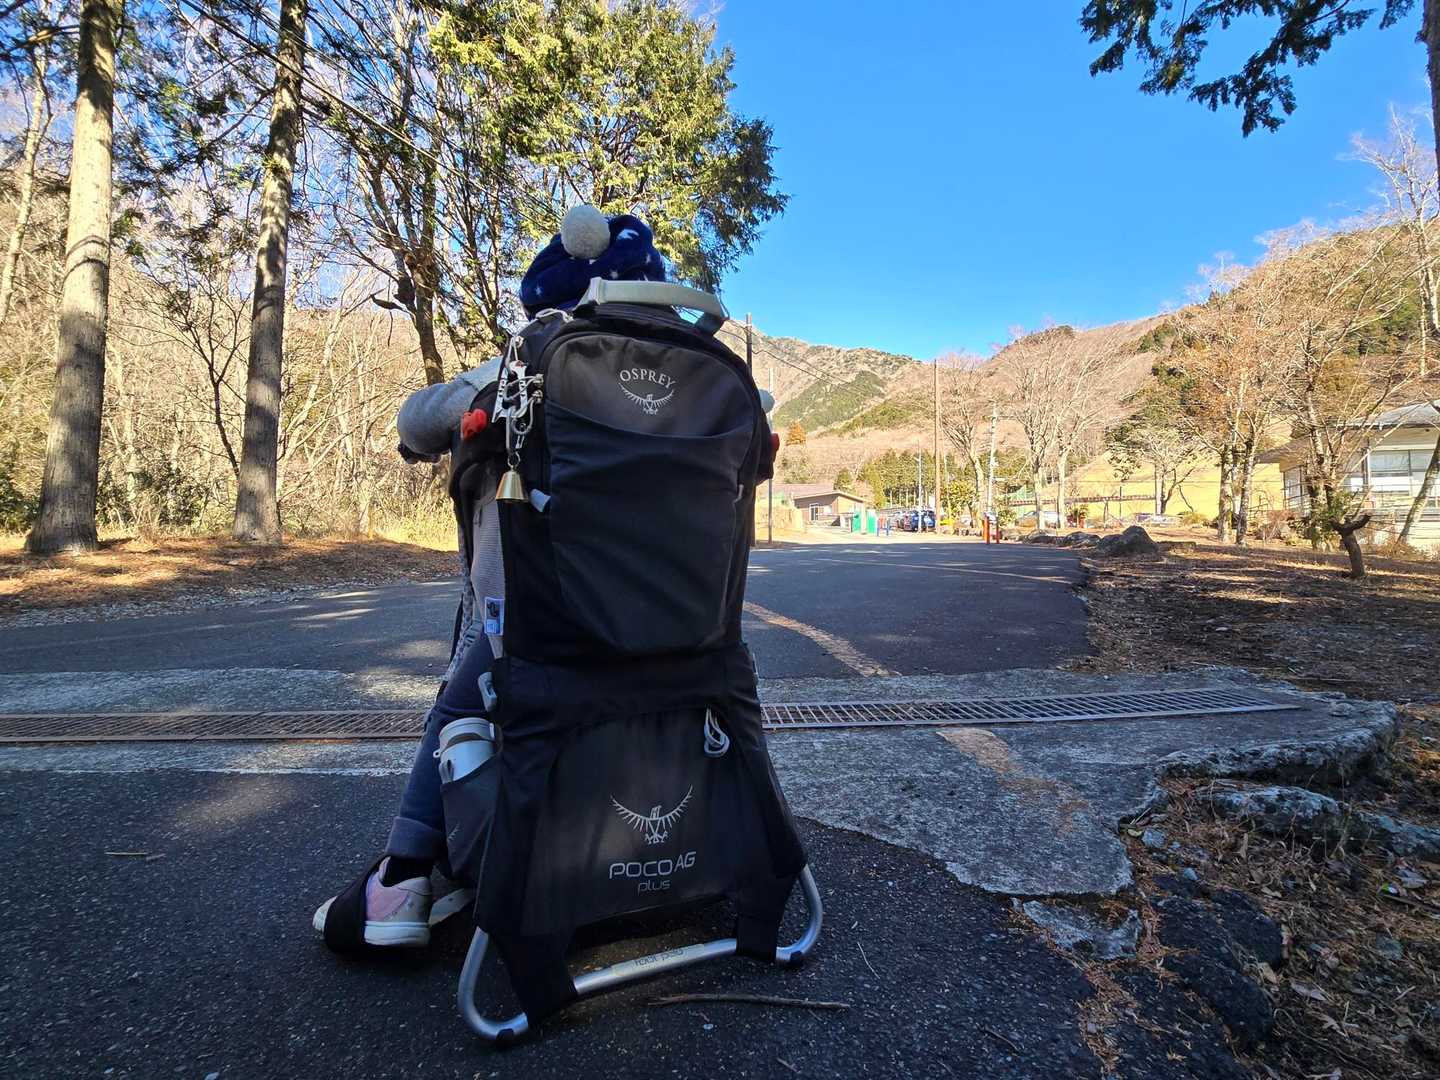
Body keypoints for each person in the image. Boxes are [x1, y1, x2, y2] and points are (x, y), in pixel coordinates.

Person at [312, 207, 667, 949]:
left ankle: (403, 879)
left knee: (458, 705)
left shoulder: (533, 361)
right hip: (676, 623)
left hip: (543, 619)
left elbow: (416, 423)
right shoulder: (687, 381)